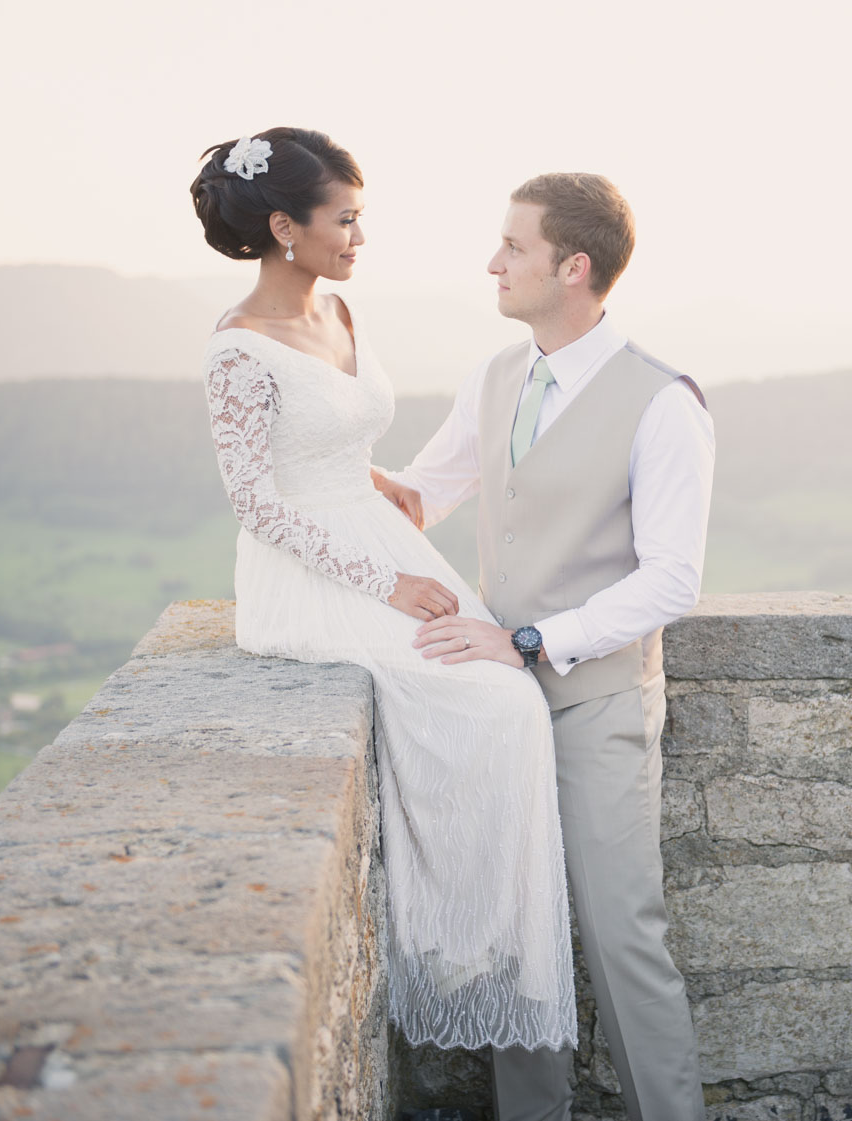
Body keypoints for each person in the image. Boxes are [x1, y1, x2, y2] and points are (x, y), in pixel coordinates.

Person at [188, 128, 576, 1054]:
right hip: (310, 573)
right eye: (346, 220)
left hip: (376, 534)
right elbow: (256, 500)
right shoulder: (238, 349)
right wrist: (384, 578)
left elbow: (330, 443)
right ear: (286, 226)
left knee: (510, 693)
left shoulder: (339, 311)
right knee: (483, 701)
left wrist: (383, 483)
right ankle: (451, 940)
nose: (360, 238)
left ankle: (476, 936)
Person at [379, 173, 714, 1121]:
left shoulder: (664, 402)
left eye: (514, 247)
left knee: (622, 936)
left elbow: (670, 579)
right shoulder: (494, 377)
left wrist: (528, 639)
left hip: (600, 701)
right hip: (500, 708)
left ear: (575, 266)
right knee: (520, 941)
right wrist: (308, 470)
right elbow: (422, 493)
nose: (493, 261)